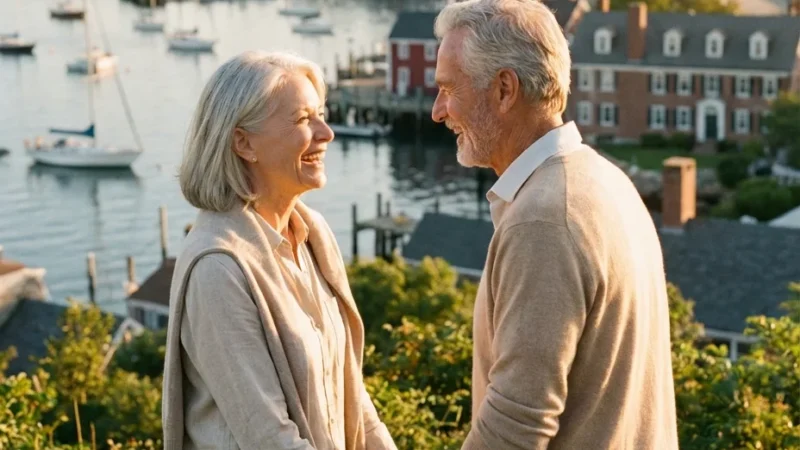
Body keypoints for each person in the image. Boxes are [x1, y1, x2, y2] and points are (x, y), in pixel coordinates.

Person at [431, 1, 679, 449]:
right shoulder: (609, 182)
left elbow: (515, 426)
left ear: (504, 89)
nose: (437, 110)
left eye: (449, 89)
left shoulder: (543, 221)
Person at [161, 50, 397, 450]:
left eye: (321, 114)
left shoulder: (314, 235)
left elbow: (351, 396)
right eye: (303, 119)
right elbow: (270, 437)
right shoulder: (217, 270)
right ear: (243, 142)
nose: (327, 132)